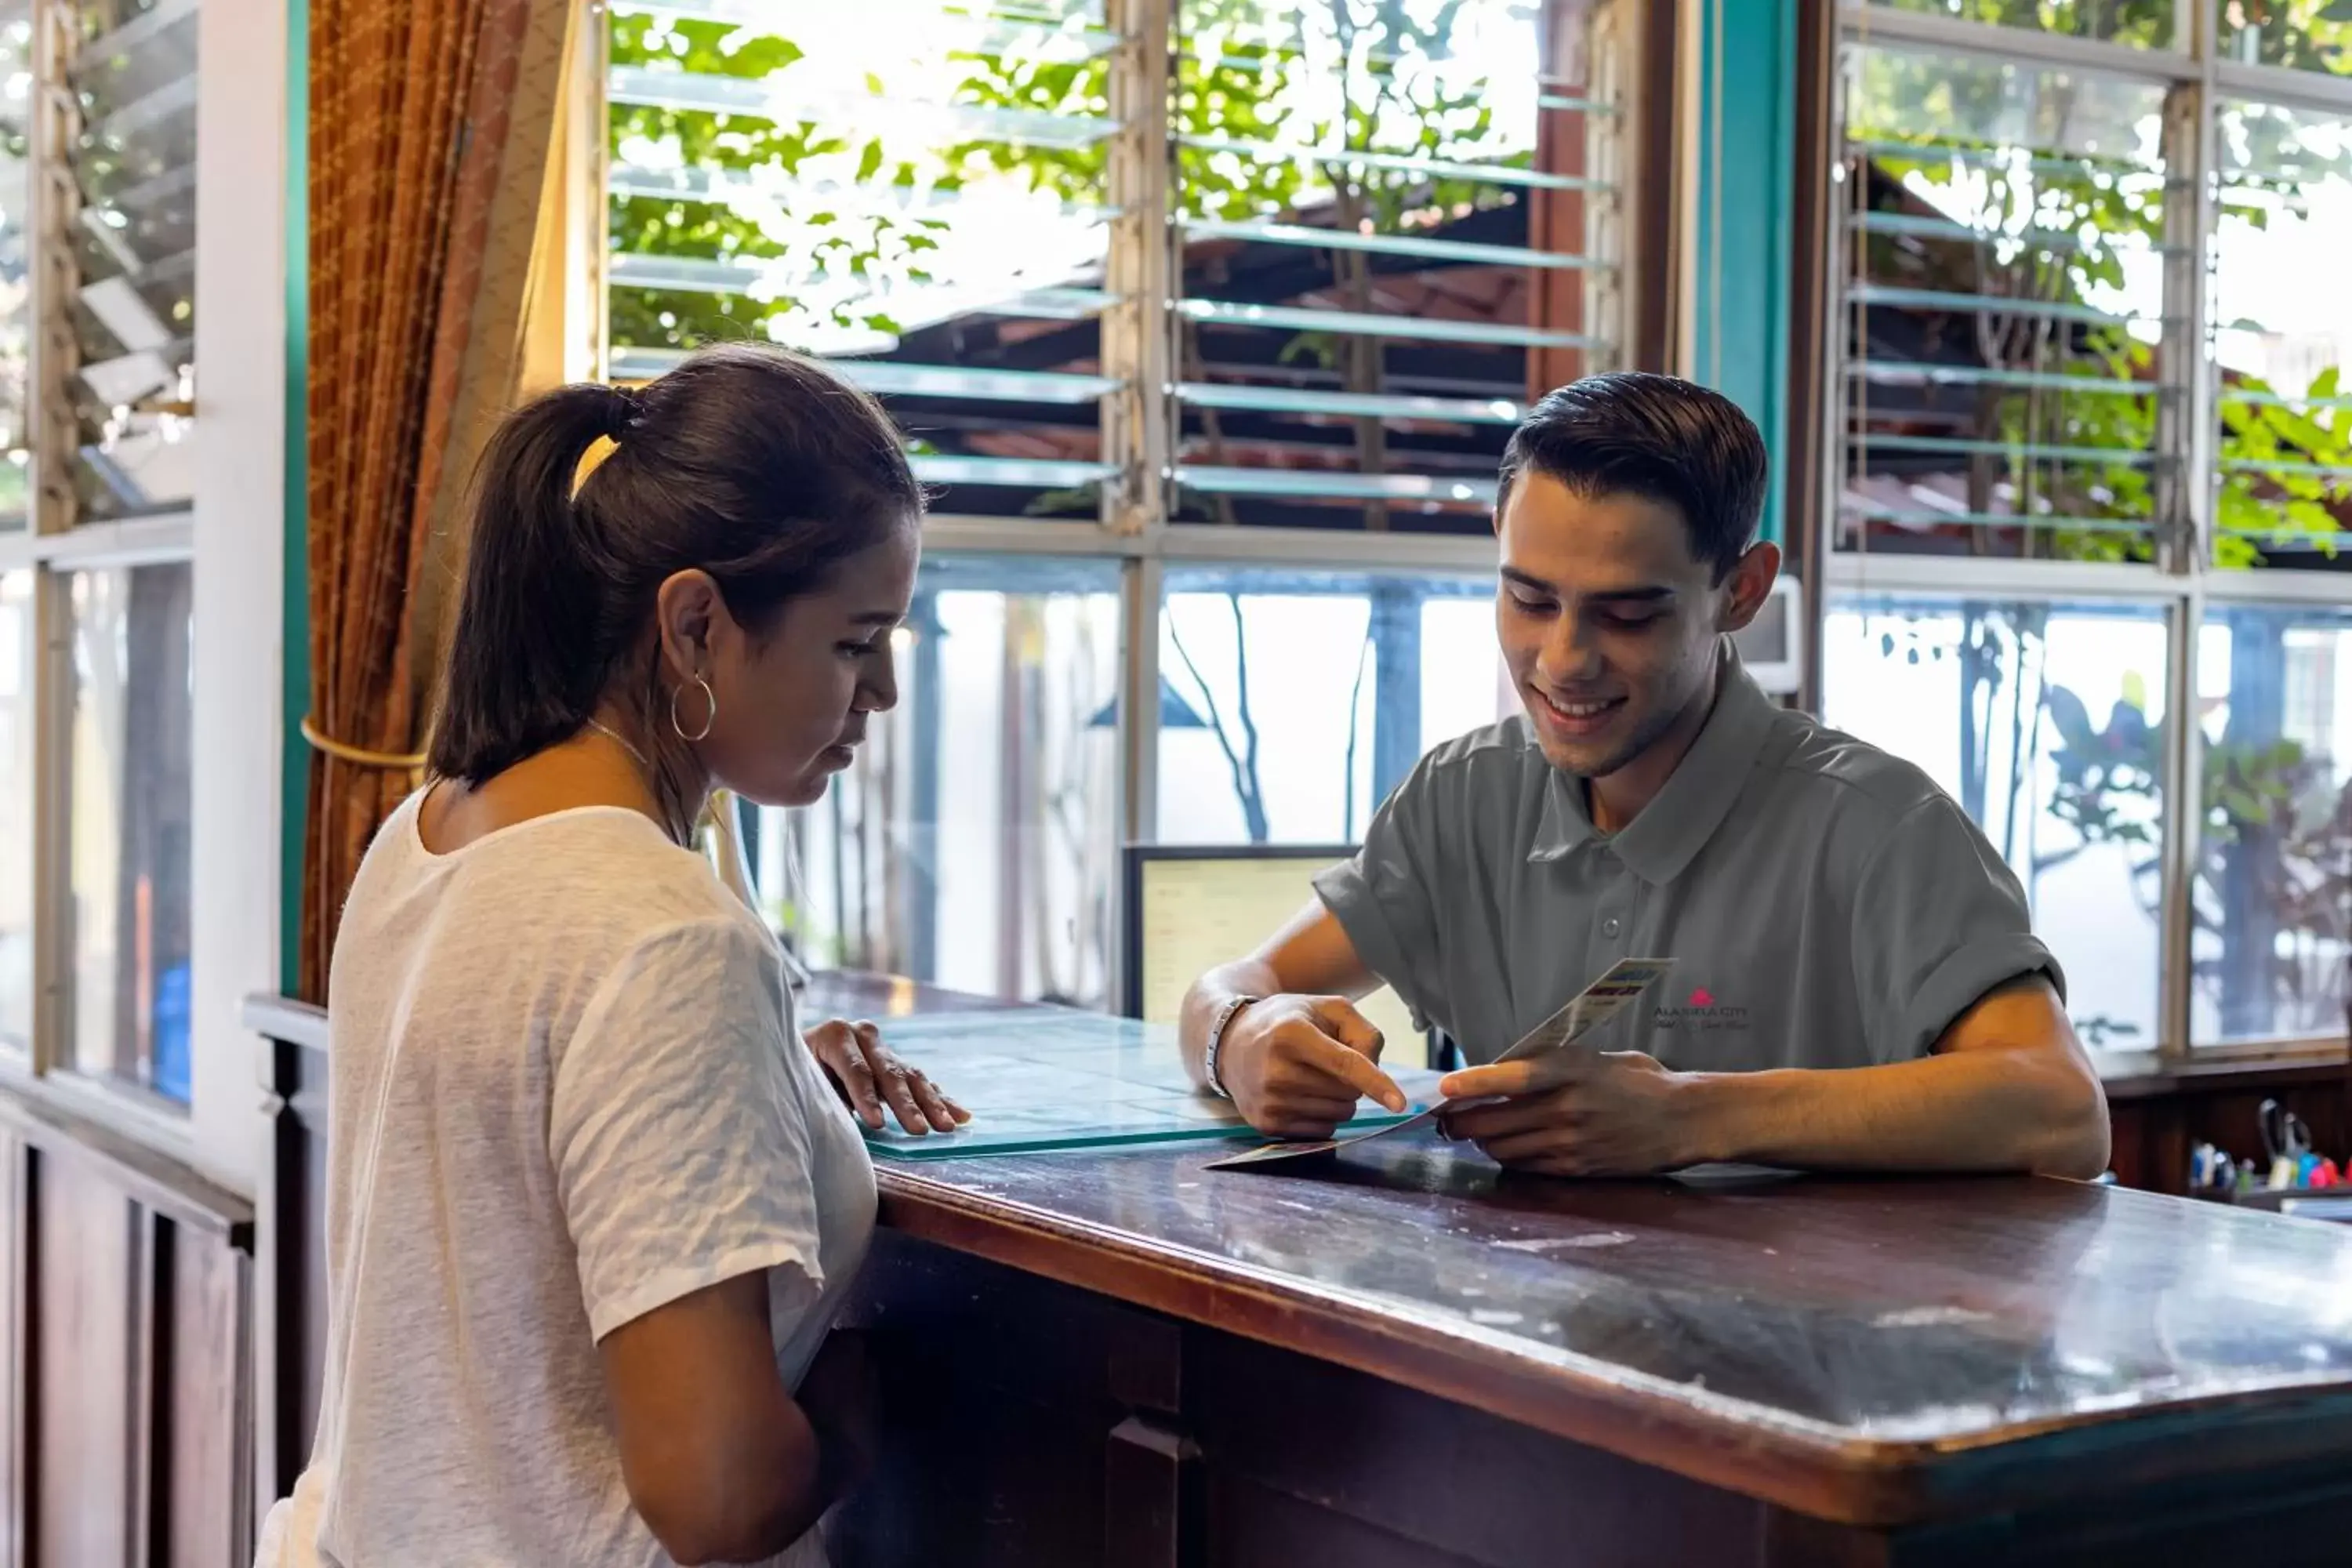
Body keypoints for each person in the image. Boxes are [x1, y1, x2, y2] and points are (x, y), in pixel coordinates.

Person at [258, 344, 968, 1568]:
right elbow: (717, 1494)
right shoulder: (664, 937)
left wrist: (771, 1077)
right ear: (696, 623)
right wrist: (858, 1403)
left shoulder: (427, 832)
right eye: (857, 644)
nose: (885, 693)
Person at [1181, 372, 2109, 1181]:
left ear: (1740, 591)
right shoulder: (1465, 796)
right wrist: (1242, 1038)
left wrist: (1690, 1117)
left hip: (1815, 1360)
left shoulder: (1878, 826)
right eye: (1529, 598)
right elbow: (1236, 981)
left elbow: (2063, 1108)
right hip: (1525, 1344)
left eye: (1627, 613)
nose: (1563, 659)